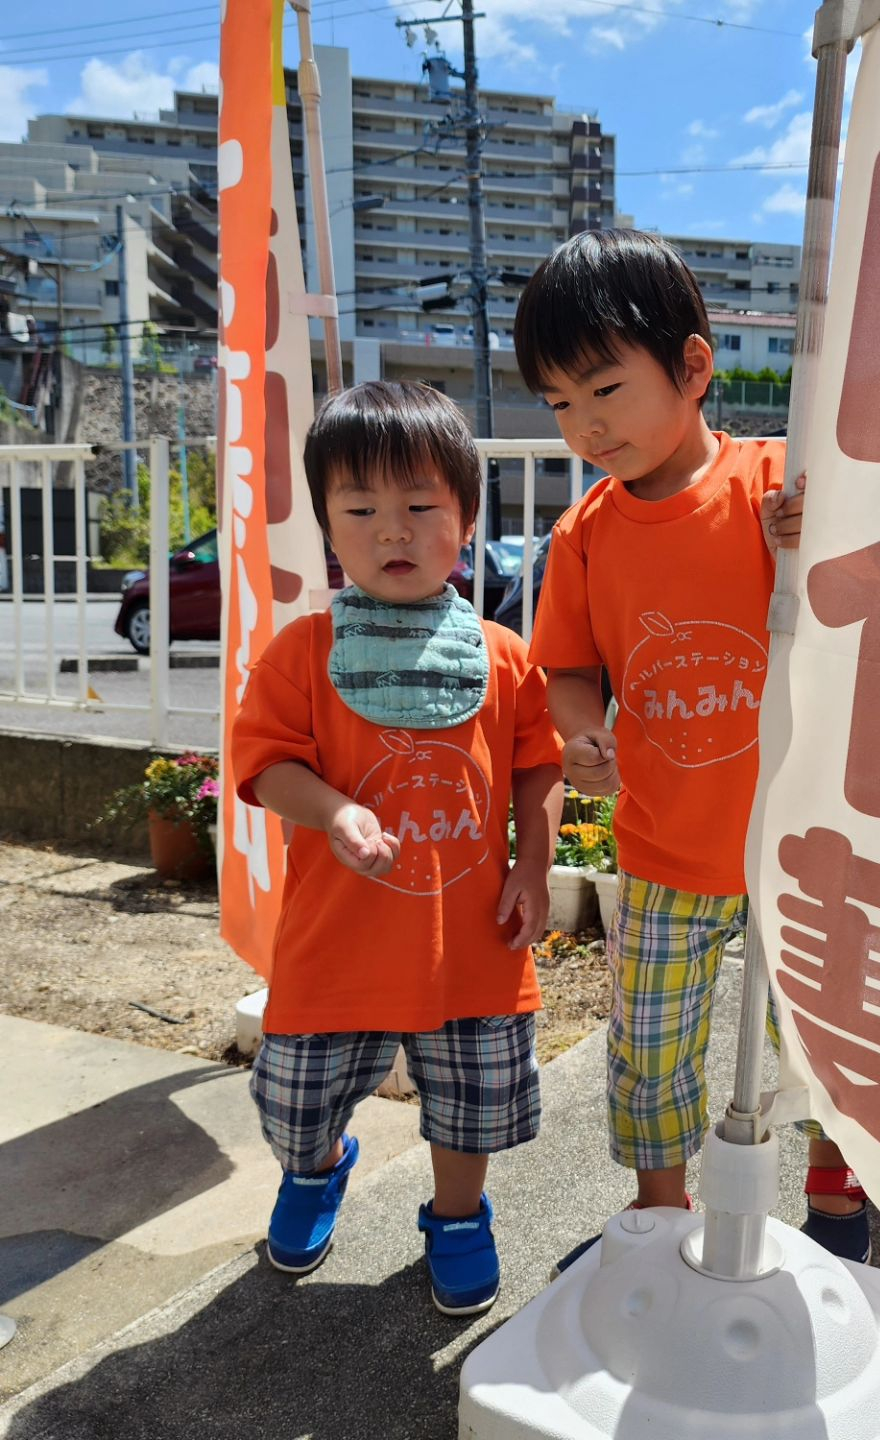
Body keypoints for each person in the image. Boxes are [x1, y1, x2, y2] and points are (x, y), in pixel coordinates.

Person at [515, 228, 870, 1268]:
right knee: (652, 1048)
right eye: (559, 404)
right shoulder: (585, 533)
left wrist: (824, 537)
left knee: (817, 1034)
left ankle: (838, 1180)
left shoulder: (780, 485)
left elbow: (871, 609)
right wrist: (584, 730)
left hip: (799, 846)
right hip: (667, 847)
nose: (585, 426)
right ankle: (659, 1206)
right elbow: (569, 666)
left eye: (605, 390)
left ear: (695, 367)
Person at [231, 380, 563, 1315]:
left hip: (472, 947)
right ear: (330, 528)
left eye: (421, 506)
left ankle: (458, 1217)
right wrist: (333, 811)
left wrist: (533, 866)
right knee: (293, 1105)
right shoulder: (301, 652)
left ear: (465, 518)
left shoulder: (502, 654)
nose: (394, 531)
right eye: (362, 509)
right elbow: (264, 764)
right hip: (334, 945)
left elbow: (539, 766)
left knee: (471, 1102)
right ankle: (319, 1168)